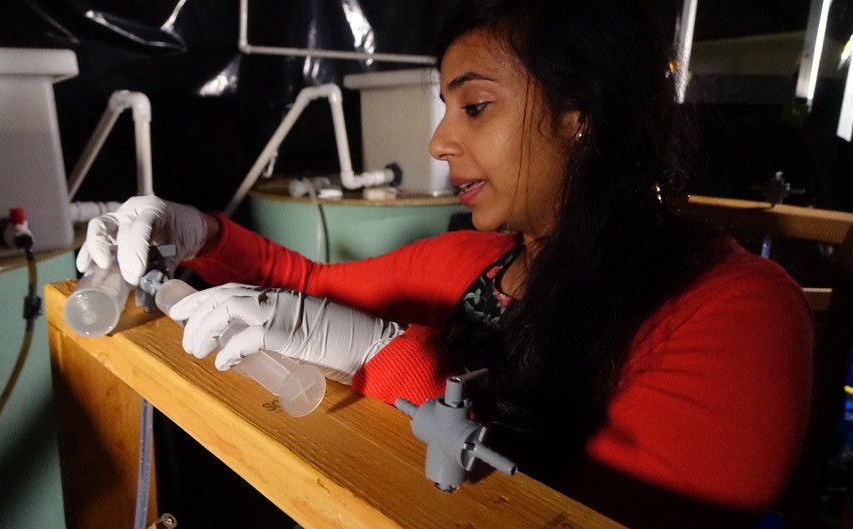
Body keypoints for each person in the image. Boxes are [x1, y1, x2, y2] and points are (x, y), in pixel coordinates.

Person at [75, 0, 813, 526]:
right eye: (444, 106)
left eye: (476, 107)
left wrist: (386, 355)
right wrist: (200, 233)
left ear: (578, 113)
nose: (437, 143)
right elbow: (303, 287)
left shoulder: (737, 312)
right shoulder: (482, 263)